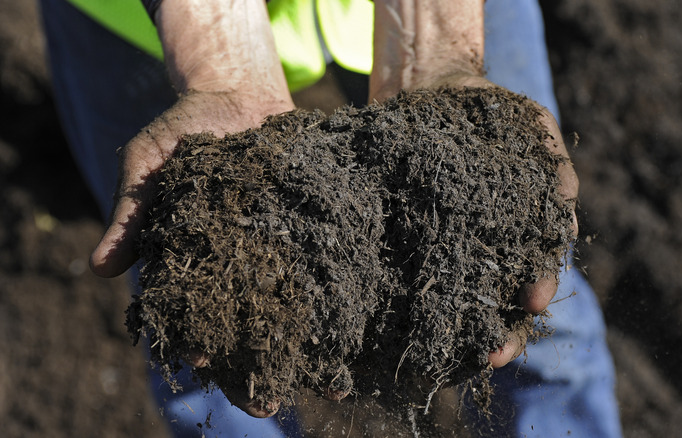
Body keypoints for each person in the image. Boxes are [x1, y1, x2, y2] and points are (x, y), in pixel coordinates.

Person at [40, 0, 622, 436]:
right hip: (148, 22)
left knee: (524, 286)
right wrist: (220, 67)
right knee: (210, 332)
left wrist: (439, 45)